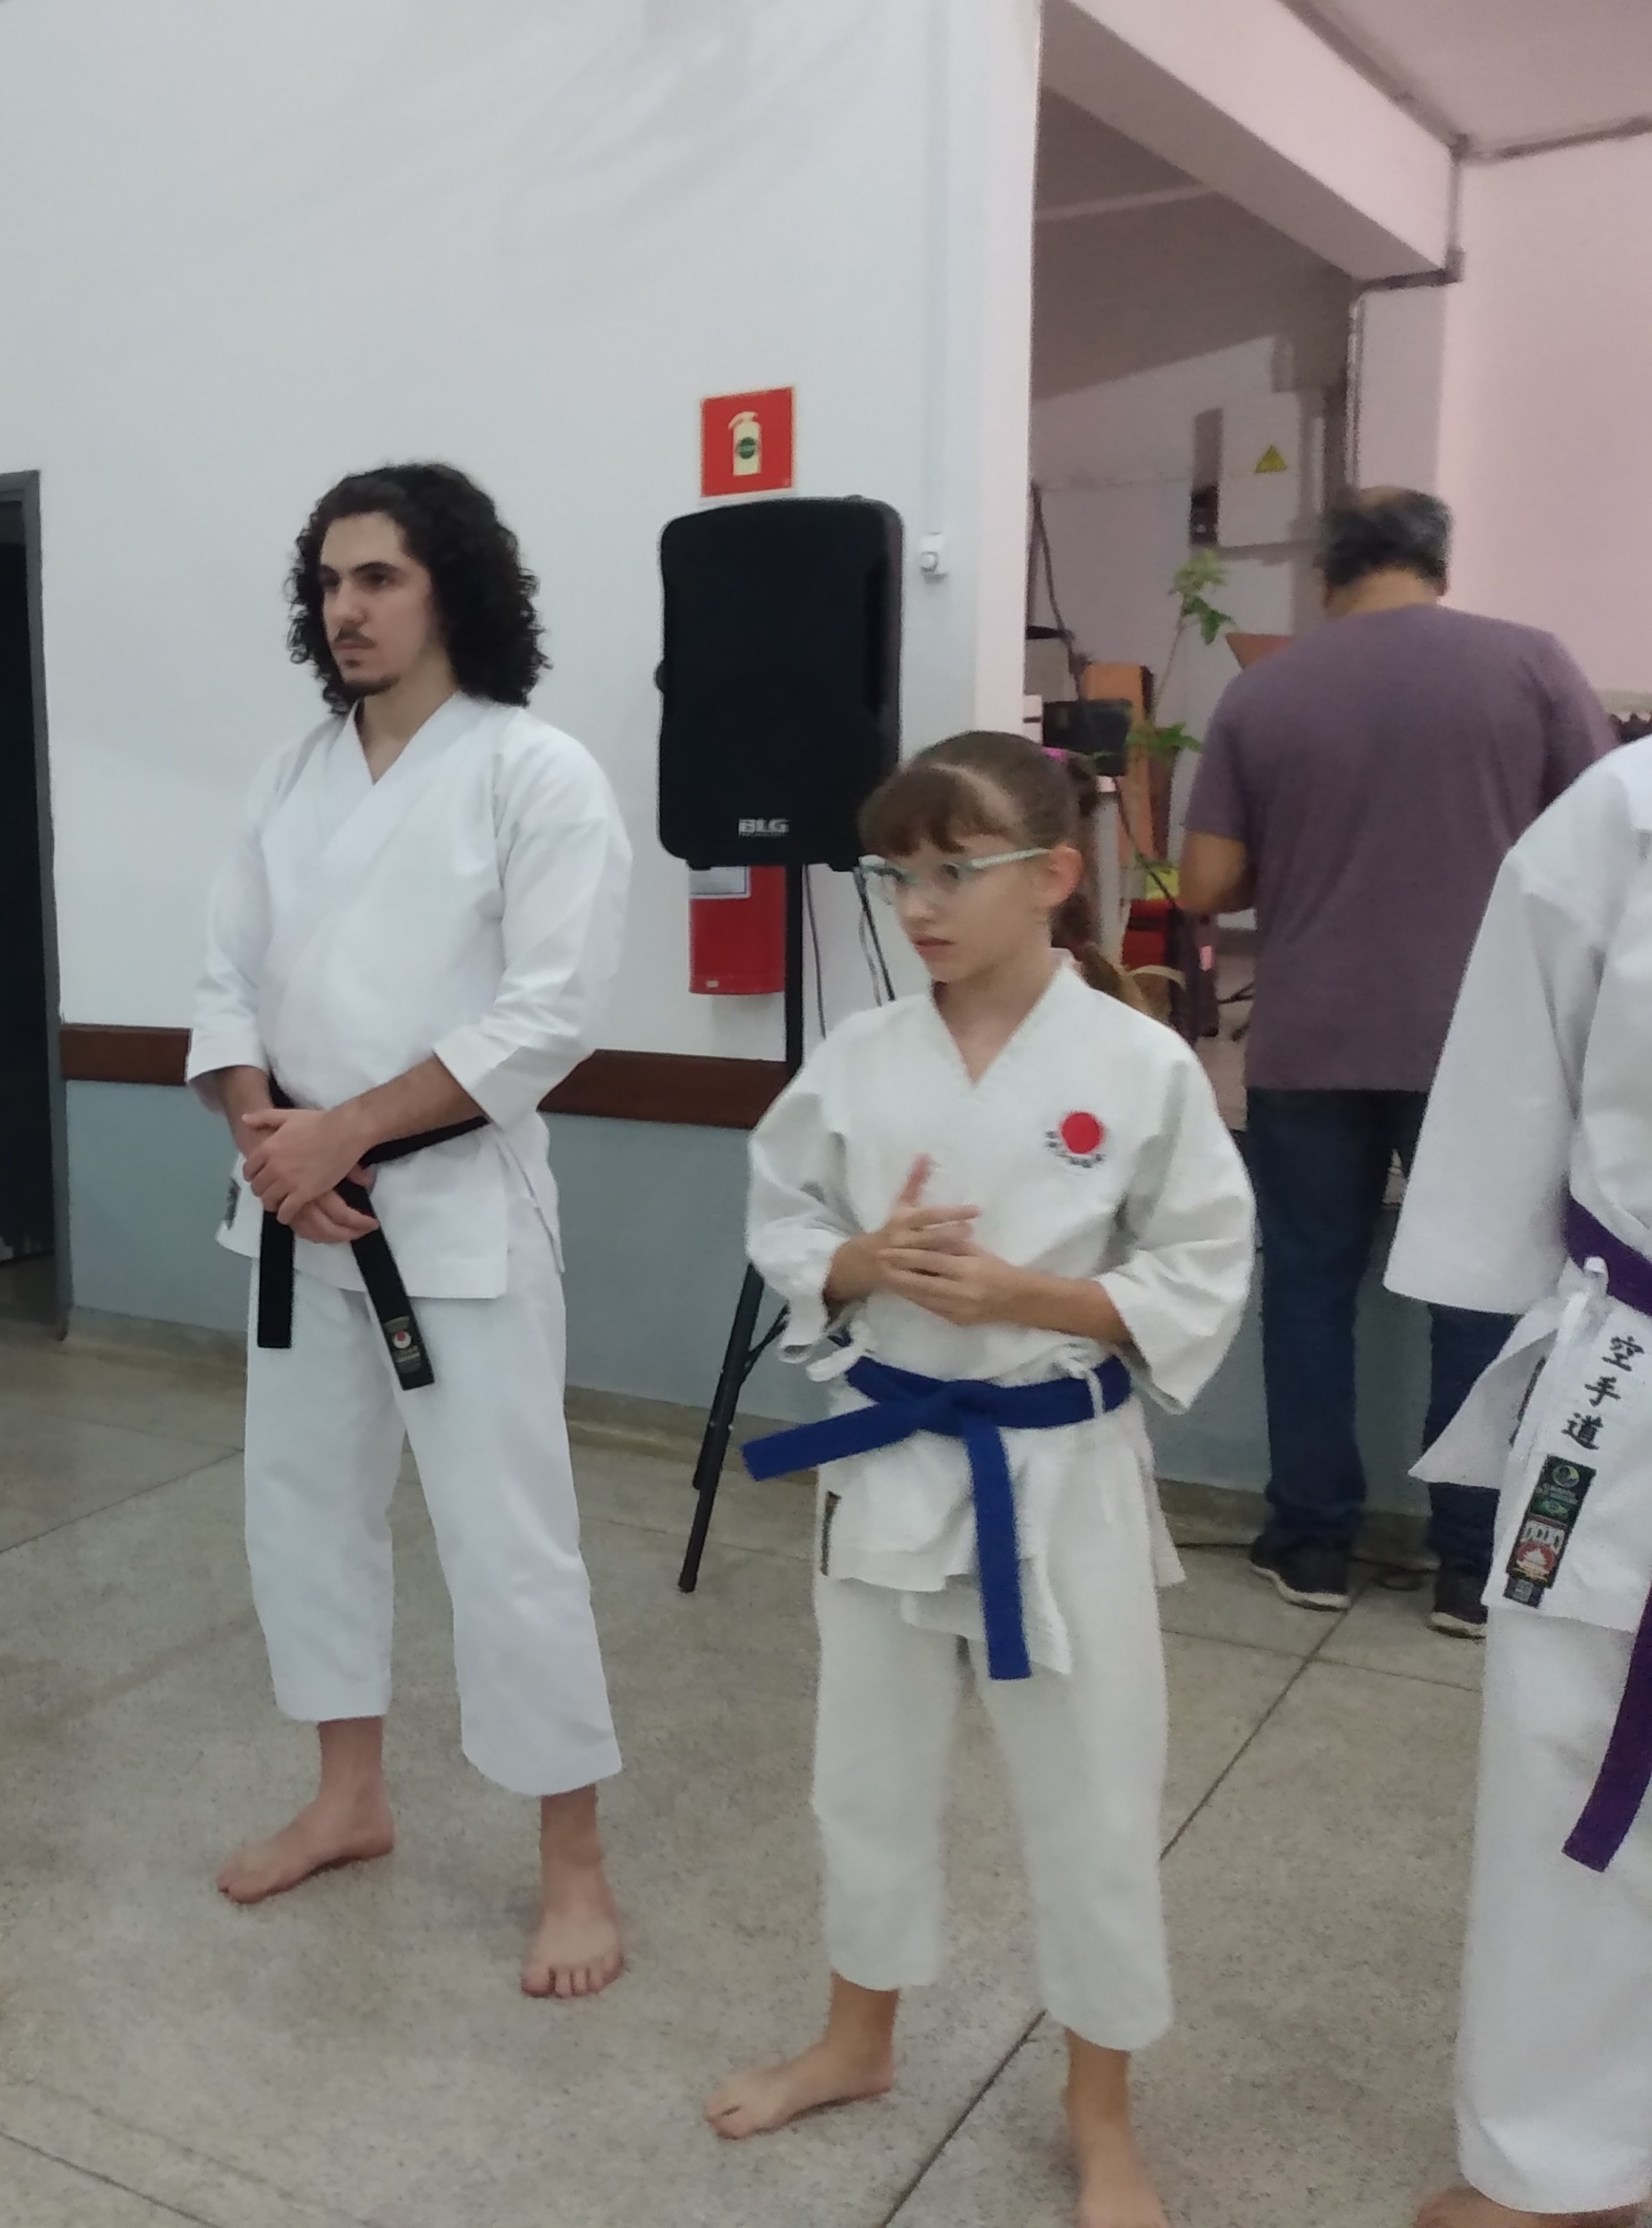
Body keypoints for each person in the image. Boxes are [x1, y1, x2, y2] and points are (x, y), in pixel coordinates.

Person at [708, 732, 1256, 2228]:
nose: (919, 906)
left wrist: (1032, 1296)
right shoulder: (860, 1059)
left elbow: (1204, 1269)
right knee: (864, 1771)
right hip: (889, 1457)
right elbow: (778, 1221)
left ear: (1054, 875)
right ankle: (856, 2038)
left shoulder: (1136, 1065)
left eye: (956, 871)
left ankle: (1100, 2113)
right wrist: (855, 1262)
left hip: (1058, 1468)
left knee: (1091, 1797)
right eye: (899, 875)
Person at [186, 461, 634, 1998]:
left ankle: (571, 1862)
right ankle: (349, 1796)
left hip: (452, 1210)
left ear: (453, 587)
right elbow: (224, 983)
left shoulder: (534, 773)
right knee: (303, 1512)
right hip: (295, 1206)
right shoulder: (290, 778)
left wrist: (350, 1131)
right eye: (328, 582)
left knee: (508, 1541)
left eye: (377, 576)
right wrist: (271, 1137)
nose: (346, 608)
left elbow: (553, 1013)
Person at [1177, 488, 1613, 1635]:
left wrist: (1310, 851)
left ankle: (1312, 1541)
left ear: (1325, 576)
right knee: (1481, 1289)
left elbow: (1208, 883)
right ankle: (1471, 1562)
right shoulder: (1532, 665)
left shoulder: (1262, 692)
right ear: (1441, 566)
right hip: (1486, 1044)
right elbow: (1606, 839)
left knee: (1309, 1285)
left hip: (1309, 1038)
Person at [1386, 736, 1652, 2228]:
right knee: (1572, 1752)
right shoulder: (1624, 816)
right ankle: (1559, 2166)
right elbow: (1508, 1090)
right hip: (1634, 1378)